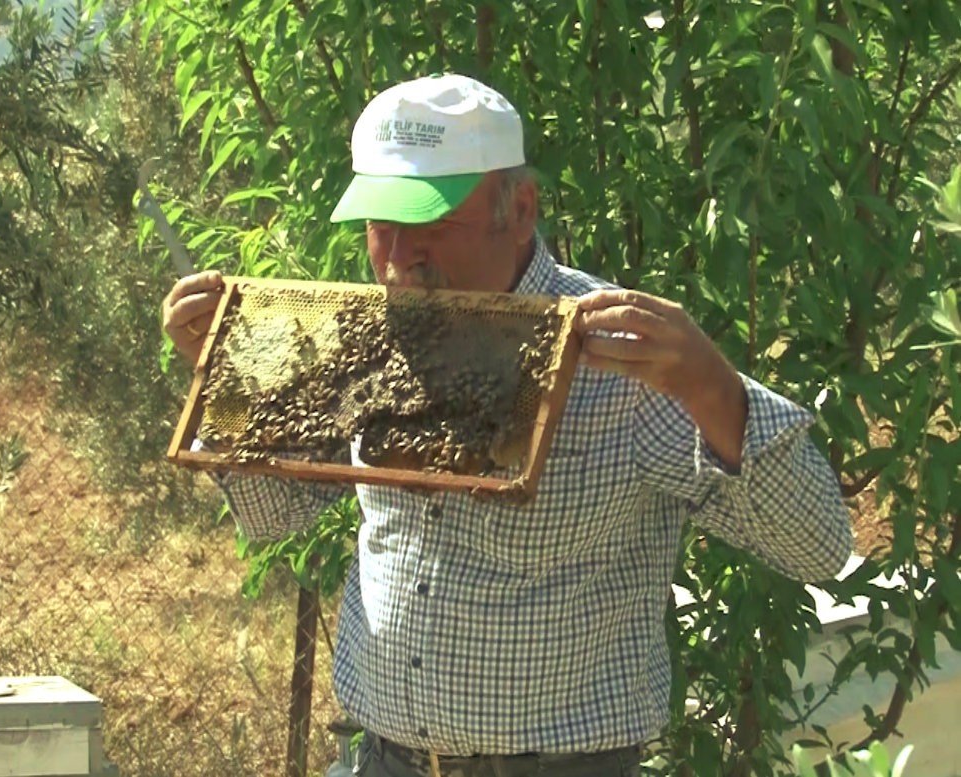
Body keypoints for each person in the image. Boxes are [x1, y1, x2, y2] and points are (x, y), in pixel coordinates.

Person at [161, 74, 853, 777]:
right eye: (379, 223)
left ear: (519, 209)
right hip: (382, 760)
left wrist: (714, 389)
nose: (398, 257)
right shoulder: (367, 334)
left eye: (429, 222)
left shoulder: (628, 358)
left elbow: (818, 546)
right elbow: (279, 510)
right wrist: (229, 385)